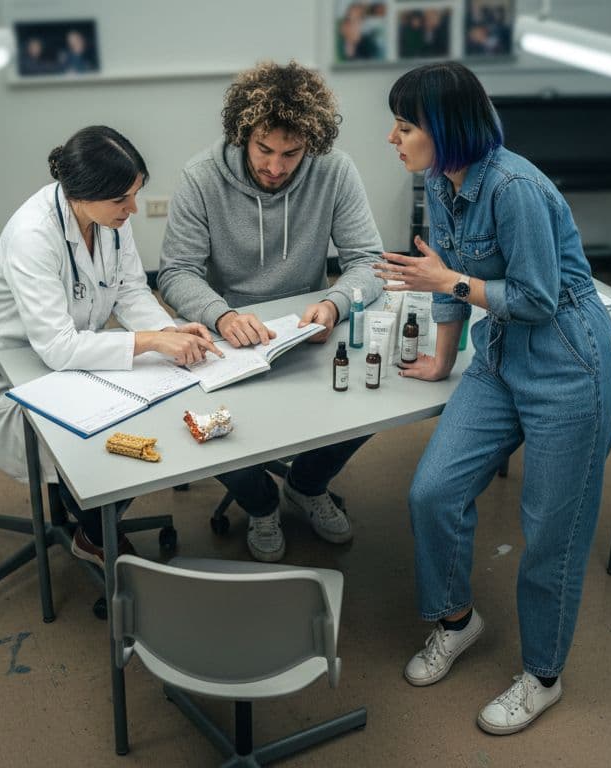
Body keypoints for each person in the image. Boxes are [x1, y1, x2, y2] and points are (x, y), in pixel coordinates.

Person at [378, 63, 611, 735]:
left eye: (404, 128)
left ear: (447, 131)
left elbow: (537, 300)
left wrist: (449, 280)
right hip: (499, 358)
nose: (392, 140)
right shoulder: (440, 177)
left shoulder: (514, 188)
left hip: (569, 368)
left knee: (551, 533)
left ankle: (543, 676)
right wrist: (443, 355)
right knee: (432, 491)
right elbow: (441, 269)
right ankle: (457, 622)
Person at [0, 126, 220, 565]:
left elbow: (131, 292)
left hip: (71, 360)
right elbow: (57, 347)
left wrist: (171, 333)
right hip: (6, 378)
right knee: (112, 431)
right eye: (122, 200)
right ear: (80, 194)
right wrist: (152, 340)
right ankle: (93, 531)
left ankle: (89, 517)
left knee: (157, 401)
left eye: (135, 193)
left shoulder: (109, 220)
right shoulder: (33, 235)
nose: (133, 208)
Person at [158, 61, 384, 562]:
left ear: (312, 144)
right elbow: (175, 273)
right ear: (243, 134)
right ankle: (260, 505)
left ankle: (306, 484)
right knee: (197, 420)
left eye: (292, 153)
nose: (277, 167)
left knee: (376, 394)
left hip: (305, 332)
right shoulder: (200, 178)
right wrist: (222, 315)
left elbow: (368, 261)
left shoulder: (335, 171)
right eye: (264, 149)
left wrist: (333, 303)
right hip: (227, 335)